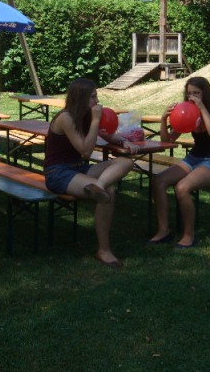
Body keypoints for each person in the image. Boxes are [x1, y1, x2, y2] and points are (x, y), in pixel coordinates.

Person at [44, 78, 139, 268]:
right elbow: (86, 151)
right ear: (81, 98)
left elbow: (106, 133)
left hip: (79, 168)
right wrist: (95, 120)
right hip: (58, 172)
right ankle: (104, 250)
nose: (97, 101)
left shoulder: (86, 115)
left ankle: (99, 185)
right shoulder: (66, 118)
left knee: (127, 162)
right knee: (108, 193)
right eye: (93, 97)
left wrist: (123, 141)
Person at [148, 76, 210, 248]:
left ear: (205, 94)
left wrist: (202, 108)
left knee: (182, 188)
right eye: (189, 93)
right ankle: (164, 231)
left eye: (196, 93)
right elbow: (167, 141)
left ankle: (189, 236)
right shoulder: (188, 112)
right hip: (193, 158)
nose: (192, 97)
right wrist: (163, 120)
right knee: (159, 181)